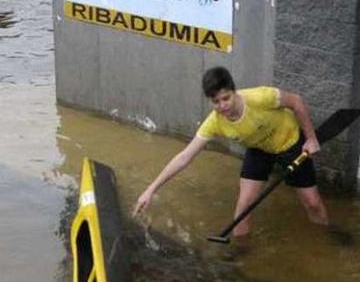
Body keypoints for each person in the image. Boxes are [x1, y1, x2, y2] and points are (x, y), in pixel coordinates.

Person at [133, 66, 328, 238]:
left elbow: (296, 102)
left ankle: (326, 237)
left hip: (290, 142)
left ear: (235, 92)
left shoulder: (260, 97)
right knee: (242, 212)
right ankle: (239, 256)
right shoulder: (215, 122)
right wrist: (151, 190)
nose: (222, 106)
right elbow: (184, 157)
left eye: (226, 98)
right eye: (216, 102)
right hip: (259, 149)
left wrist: (311, 139)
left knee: (312, 203)